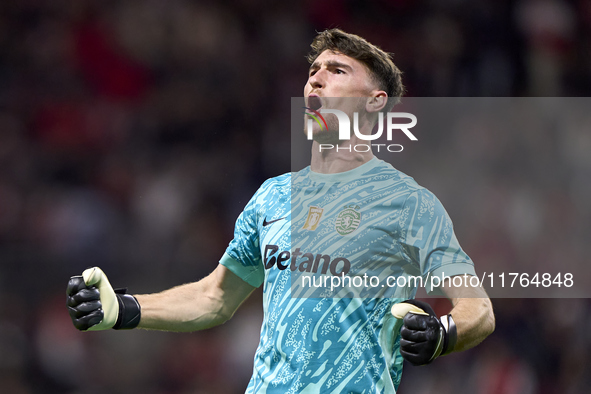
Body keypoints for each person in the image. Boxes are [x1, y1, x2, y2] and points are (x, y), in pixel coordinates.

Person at [66, 29, 495, 393]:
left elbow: (478, 310)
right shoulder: (273, 196)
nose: (316, 81)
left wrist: (442, 334)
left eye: (337, 71)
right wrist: (123, 309)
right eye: (313, 72)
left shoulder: (409, 203)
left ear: (374, 102)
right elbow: (215, 297)